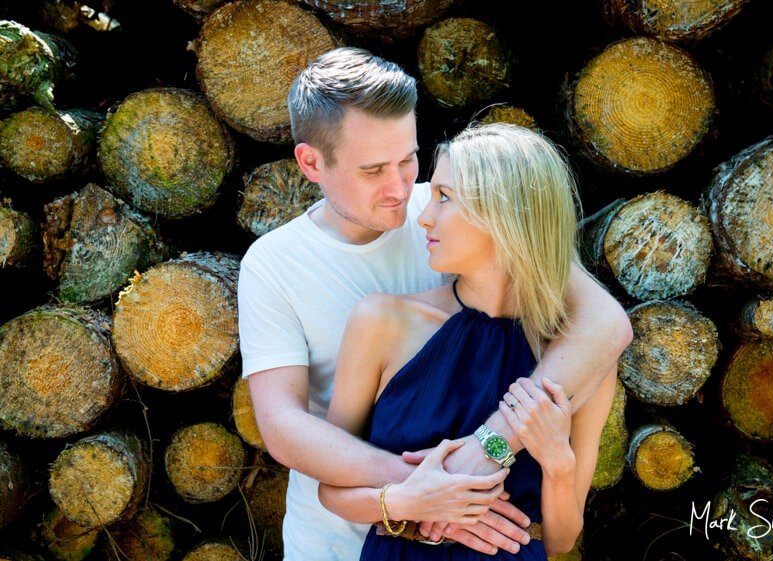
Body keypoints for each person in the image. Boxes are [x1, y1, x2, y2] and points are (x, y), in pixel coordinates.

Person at [237, 47, 633, 561]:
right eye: (374, 169)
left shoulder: (460, 201)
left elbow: (601, 320)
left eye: (408, 159)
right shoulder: (274, 264)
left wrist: (488, 448)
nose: (402, 189)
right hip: (337, 541)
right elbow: (285, 429)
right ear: (312, 162)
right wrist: (437, 489)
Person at [317, 123, 616, 559]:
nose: (424, 216)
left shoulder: (575, 354)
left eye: (445, 197)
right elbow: (331, 487)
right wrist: (405, 502)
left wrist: (557, 463)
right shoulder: (382, 322)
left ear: (505, 214)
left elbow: (561, 540)